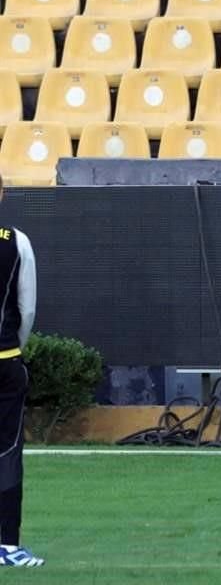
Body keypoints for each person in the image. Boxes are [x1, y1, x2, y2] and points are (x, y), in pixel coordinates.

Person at [0, 174, 41, 567]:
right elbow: (26, 309)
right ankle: (8, 546)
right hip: (4, 363)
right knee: (7, 452)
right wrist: (15, 347)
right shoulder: (16, 241)